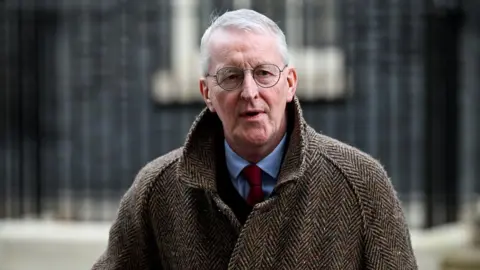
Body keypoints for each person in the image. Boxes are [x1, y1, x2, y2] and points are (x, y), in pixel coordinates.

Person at [92, 8, 417, 270]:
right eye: (231, 76)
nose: (250, 93)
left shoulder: (360, 184)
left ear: (290, 83)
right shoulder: (157, 191)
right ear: (206, 92)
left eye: (264, 73)